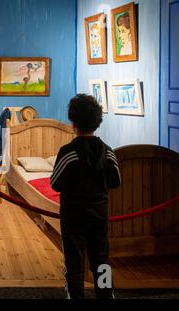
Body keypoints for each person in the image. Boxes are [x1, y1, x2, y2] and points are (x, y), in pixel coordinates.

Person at [50, 94, 121, 299]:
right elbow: (115, 181)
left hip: (73, 216)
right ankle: (106, 296)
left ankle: (76, 296)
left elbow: (55, 183)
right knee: (101, 260)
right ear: (97, 122)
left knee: (74, 263)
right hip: (99, 215)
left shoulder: (68, 151)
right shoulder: (108, 152)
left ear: (73, 123)